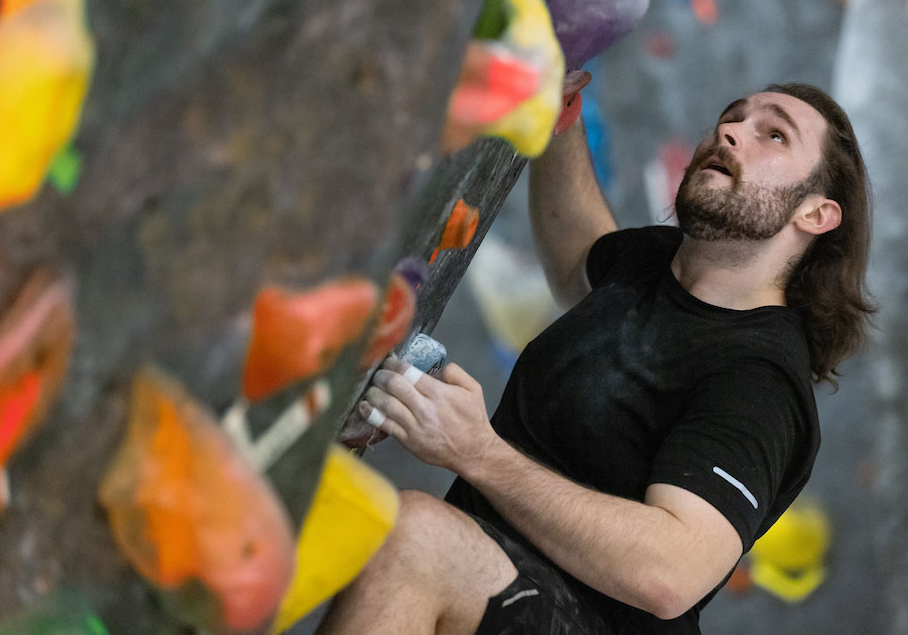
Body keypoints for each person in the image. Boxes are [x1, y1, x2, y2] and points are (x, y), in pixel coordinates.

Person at [317, 82, 874, 634]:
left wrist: (478, 452)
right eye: (732, 116)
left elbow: (672, 574)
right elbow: (578, 259)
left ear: (816, 214)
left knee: (416, 541)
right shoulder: (652, 266)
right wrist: (559, 122)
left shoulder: (759, 383)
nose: (729, 131)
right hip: (503, 589)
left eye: (773, 135)